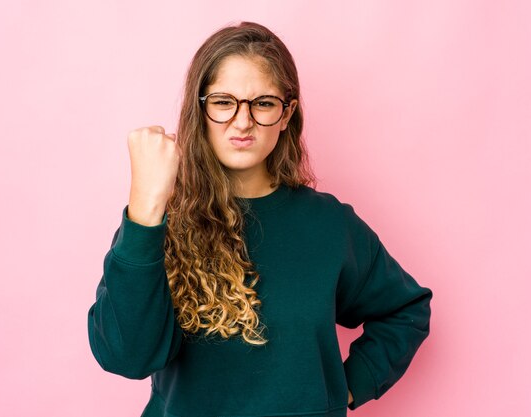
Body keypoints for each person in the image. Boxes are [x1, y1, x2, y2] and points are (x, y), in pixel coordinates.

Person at [87, 21, 433, 417]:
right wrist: (146, 208)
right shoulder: (154, 222)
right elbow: (126, 357)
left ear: (286, 114)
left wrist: (344, 390)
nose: (242, 121)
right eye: (223, 102)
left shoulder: (329, 224)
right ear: (199, 109)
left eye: (263, 103)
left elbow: (406, 310)